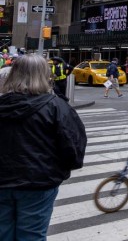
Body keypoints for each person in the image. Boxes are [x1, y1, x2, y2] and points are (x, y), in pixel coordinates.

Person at [0, 54, 86, 240]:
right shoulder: (56, 106)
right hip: (38, 182)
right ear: (44, 75)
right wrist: (60, 170)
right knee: (32, 235)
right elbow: (73, 146)